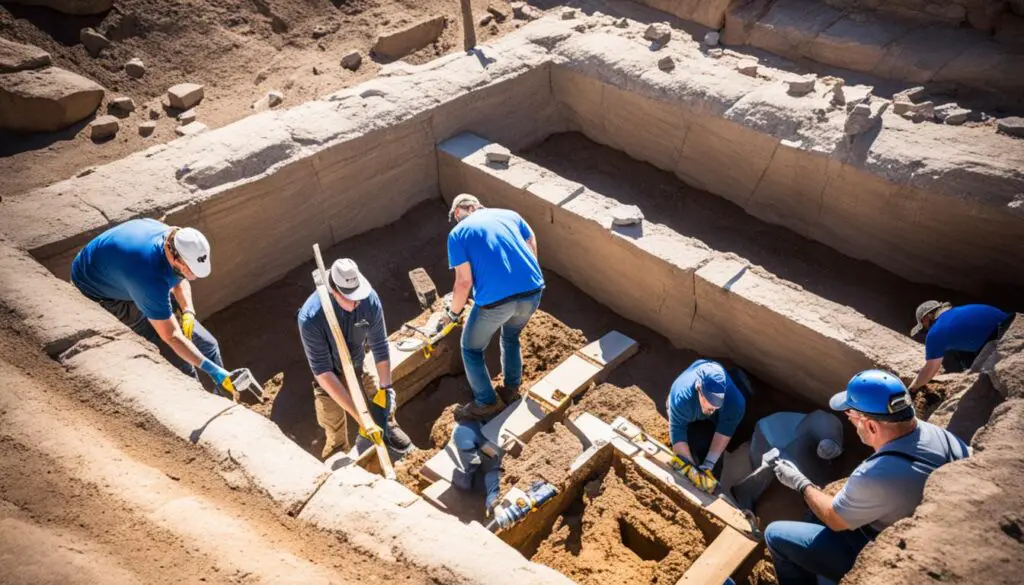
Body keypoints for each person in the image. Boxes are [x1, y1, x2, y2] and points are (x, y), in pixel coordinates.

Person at [765, 370, 969, 585]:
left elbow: (834, 519)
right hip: (925, 524)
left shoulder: (875, 476)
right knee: (814, 512)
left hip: (882, 549)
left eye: (851, 416)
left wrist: (798, 482)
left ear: (871, 425)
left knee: (774, 534)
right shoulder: (937, 434)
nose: (851, 422)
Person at [71, 218, 238, 393]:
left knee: (208, 346)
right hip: (102, 291)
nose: (193, 277)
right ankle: (199, 402)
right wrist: (213, 370)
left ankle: (225, 394)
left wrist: (188, 310)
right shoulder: (149, 279)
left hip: (125, 271)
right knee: (181, 364)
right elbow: (171, 336)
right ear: (176, 258)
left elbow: (179, 279)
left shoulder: (174, 236)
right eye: (189, 269)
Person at [441, 194, 544, 422]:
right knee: (510, 336)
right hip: (533, 292)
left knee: (470, 349)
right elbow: (531, 238)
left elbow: (464, 282)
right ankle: (511, 389)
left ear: (459, 211)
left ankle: (486, 402)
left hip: (496, 302)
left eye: (456, 217)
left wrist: (453, 313)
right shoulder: (510, 214)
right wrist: (530, 271)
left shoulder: (458, 234)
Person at [297, 257, 412, 459]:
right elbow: (322, 372)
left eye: (358, 295)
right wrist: (361, 420)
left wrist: (387, 387)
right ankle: (338, 454)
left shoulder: (369, 301)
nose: (357, 301)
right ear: (334, 291)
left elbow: (379, 345)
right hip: (330, 376)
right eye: (350, 297)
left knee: (380, 404)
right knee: (335, 427)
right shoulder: (311, 318)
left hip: (358, 362)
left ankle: (387, 426)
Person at [667, 359, 748, 493]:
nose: (712, 409)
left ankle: (741, 379)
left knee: (714, 464)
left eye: (716, 406)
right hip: (689, 415)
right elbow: (677, 432)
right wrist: (693, 472)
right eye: (709, 405)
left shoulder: (735, 403)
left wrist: (708, 465)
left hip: (718, 415)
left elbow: (724, 431)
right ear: (699, 389)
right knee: (691, 449)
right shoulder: (682, 398)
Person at [908, 301, 1013, 390]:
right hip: (1013, 323)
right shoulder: (960, 311)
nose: (925, 329)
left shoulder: (935, 332)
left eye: (923, 323)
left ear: (928, 317)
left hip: (998, 339)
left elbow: (931, 368)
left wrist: (913, 388)